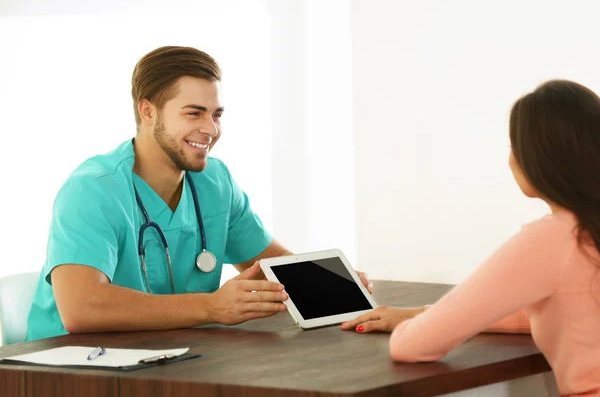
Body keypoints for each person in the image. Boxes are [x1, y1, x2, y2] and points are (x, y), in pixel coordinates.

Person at [26, 46, 372, 341]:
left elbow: (269, 266)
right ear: (148, 111)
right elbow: (81, 309)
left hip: (171, 353)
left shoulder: (214, 181)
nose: (211, 129)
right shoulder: (92, 189)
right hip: (73, 367)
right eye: (194, 113)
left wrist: (328, 284)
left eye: (216, 114)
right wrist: (213, 307)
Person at [341, 79, 600, 396]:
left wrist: (425, 324)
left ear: (537, 158)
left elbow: (411, 345)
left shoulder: (552, 238)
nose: (511, 160)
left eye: (513, 147)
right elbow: (574, 309)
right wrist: (425, 313)